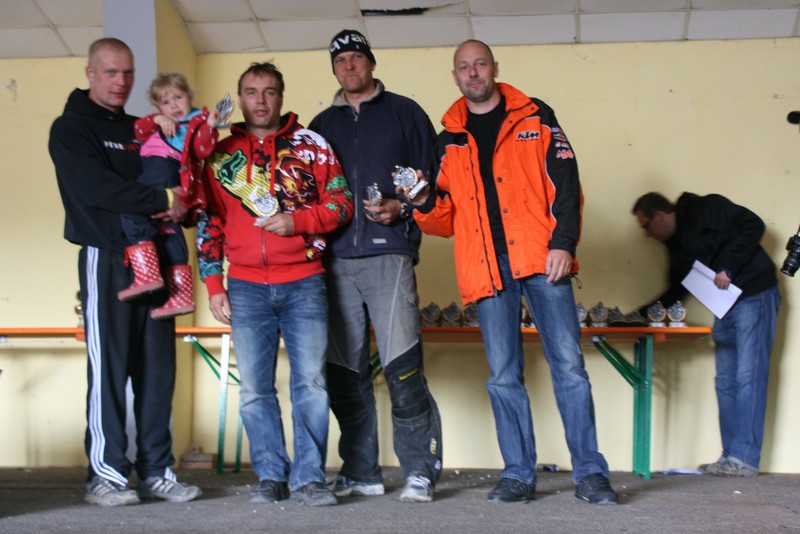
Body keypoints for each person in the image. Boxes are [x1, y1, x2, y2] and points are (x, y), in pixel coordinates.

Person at [408, 40, 618, 505]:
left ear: (495, 68)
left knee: (569, 368)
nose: (473, 73)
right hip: (486, 267)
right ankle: (519, 474)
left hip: (543, 260)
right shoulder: (448, 139)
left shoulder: (535, 115)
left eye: (480, 64)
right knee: (503, 375)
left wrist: (563, 243)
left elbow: (566, 182)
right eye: (464, 67)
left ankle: (590, 474)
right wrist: (422, 202)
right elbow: (444, 221)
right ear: (455, 76)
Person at [48, 38, 201, 506]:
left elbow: (170, 175)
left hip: (157, 258)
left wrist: (183, 205)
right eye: (111, 72)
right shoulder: (72, 128)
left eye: (128, 73)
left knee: (158, 372)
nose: (121, 82)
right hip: (108, 258)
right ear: (91, 73)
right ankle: (107, 475)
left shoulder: (141, 129)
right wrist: (162, 200)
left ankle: (157, 471)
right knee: (110, 370)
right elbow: (97, 188)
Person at [197, 62, 354, 507]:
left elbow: (342, 203)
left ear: (281, 97)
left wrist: (297, 221)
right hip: (245, 286)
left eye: (269, 91)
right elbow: (209, 221)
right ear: (240, 99)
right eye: (251, 91)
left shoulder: (312, 146)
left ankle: (309, 479)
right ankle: (270, 476)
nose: (260, 100)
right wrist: (214, 284)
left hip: (304, 281)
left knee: (312, 385)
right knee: (254, 389)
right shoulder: (220, 154)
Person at [308, 29, 443, 503]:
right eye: (340, 60)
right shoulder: (320, 125)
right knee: (345, 372)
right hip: (335, 260)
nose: (349, 66)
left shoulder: (406, 112)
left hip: (389, 255)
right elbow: (306, 194)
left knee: (403, 366)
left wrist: (401, 209)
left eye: (356, 57)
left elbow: (433, 184)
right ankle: (361, 470)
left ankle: (420, 471)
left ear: (371, 62)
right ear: (334, 69)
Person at [631, 192, 780, 477]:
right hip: (724, 307)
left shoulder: (707, 207)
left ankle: (745, 459)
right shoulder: (676, 246)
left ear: (660, 216)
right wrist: (636, 317)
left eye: (646, 226)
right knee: (725, 382)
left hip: (755, 295)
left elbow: (753, 224)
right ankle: (730, 457)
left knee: (749, 377)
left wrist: (728, 268)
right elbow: (676, 291)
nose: (646, 235)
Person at [118, 72, 220, 320]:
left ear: (190, 96)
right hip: (159, 169)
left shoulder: (197, 120)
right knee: (168, 227)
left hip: (164, 167)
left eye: (178, 97)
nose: (173, 105)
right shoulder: (161, 121)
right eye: (165, 102)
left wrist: (210, 127)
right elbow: (139, 130)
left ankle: (147, 273)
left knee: (132, 206)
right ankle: (180, 295)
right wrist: (157, 119)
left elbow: (202, 150)